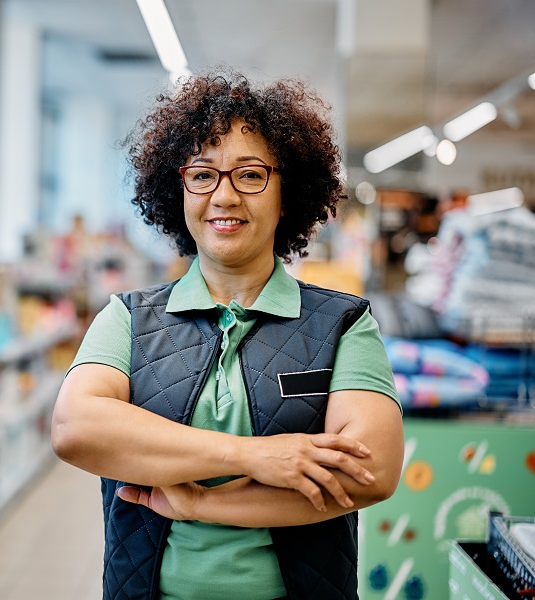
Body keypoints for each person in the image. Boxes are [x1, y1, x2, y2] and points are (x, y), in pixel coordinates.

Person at [51, 69, 404, 600]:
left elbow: (369, 472)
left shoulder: (343, 324)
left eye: (250, 174)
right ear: (179, 191)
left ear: (288, 193)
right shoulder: (127, 318)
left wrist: (200, 503)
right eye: (203, 175)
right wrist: (255, 457)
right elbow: (76, 427)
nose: (224, 196)